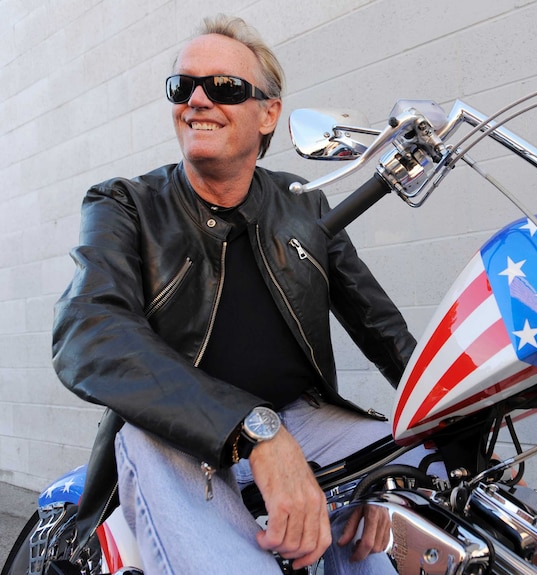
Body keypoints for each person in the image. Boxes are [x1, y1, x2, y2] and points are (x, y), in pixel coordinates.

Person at [53, 14, 427, 574]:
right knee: (149, 440)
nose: (198, 100)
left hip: (304, 421)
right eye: (184, 86)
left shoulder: (305, 206)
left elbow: (384, 332)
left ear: (268, 112)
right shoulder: (125, 204)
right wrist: (254, 429)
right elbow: (89, 330)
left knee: (426, 470)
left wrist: (423, 449)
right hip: (174, 437)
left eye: (224, 87)